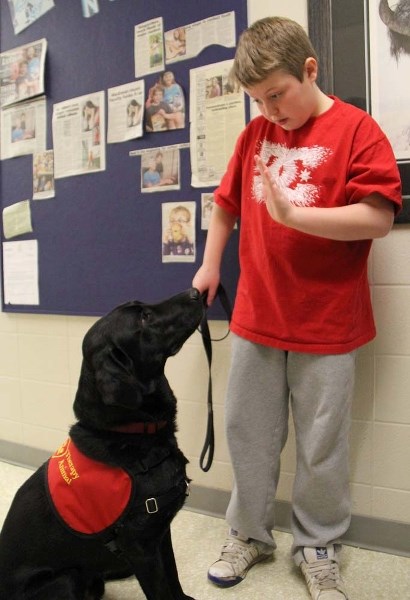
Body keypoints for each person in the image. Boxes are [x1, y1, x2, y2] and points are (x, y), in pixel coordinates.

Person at [192, 16, 402, 600]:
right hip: (258, 316)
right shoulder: (255, 136)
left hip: (328, 322)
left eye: (277, 95)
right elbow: (225, 205)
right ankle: (249, 535)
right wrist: (211, 265)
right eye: (258, 101)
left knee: (321, 443)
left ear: (310, 69)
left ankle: (317, 545)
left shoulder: (358, 130)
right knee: (249, 434)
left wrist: (295, 217)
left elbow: (379, 217)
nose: (269, 111)